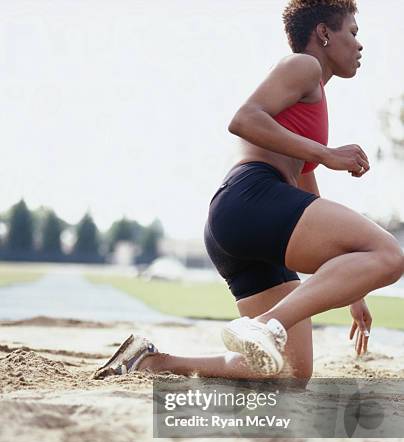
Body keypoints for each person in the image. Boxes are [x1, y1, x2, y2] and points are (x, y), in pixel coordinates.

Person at [94, 0, 403, 382]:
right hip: (252, 200)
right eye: (352, 33)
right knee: (390, 254)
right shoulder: (302, 65)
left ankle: (151, 362)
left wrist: (354, 287)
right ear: (324, 33)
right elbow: (243, 119)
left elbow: (307, 191)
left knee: (291, 371)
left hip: (246, 223)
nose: (360, 45)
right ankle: (266, 325)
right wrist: (326, 153)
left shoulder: (314, 94)